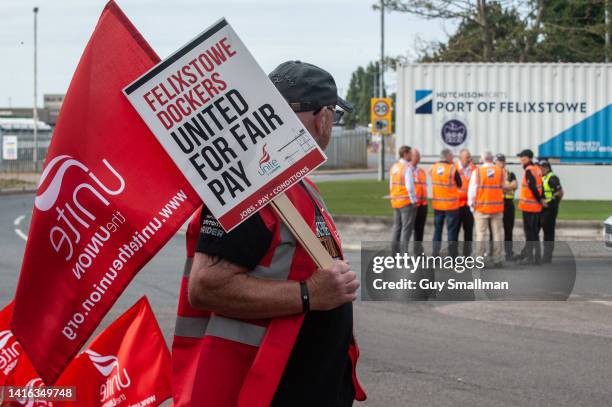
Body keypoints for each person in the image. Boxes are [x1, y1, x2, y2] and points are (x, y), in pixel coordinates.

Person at [178, 61, 366, 406]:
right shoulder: (249, 187)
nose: (331, 126)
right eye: (333, 117)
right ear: (323, 116)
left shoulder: (297, 184)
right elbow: (205, 287)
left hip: (307, 382)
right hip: (267, 387)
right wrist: (309, 294)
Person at [468, 151, 504, 266]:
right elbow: (502, 186)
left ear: (482, 159)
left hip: (481, 207)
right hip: (496, 208)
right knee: (497, 233)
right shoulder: (499, 171)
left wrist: (471, 204)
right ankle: (497, 258)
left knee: (481, 234)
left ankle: (479, 260)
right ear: (492, 159)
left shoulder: (477, 172)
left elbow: (472, 189)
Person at [430, 148, 462, 256]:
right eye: (451, 155)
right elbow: (460, 184)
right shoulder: (452, 169)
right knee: (451, 232)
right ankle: (452, 257)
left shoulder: (433, 168)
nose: (453, 157)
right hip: (451, 206)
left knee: (437, 231)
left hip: (438, 206)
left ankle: (435, 255)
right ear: (447, 156)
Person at [517, 149, 545, 264]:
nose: (521, 160)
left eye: (523, 158)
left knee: (529, 234)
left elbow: (533, 188)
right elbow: (540, 186)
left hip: (529, 207)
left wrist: (539, 200)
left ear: (529, 158)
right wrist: (541, 200)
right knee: (535, 233)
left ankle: (529, 258)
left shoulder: (529, 171)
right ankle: (537, 257)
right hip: (536, 207)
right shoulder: (537, 169)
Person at [389, 145, 417, 246]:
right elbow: (409, 187)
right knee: (406, 229)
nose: (411, 156)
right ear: (405, 154)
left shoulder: (394, 167)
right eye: (410, 153)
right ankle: (403, 254)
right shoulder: (406, 168)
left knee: (397, 227)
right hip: (405, 202)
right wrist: (413, 201)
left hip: (395, 201)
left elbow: (391, 185)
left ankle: (394, 253)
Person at [539, 160, 563, 263]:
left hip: (550, 209)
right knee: (544, 232)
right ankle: (544, 256)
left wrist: (554, 202)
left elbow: (560, 192)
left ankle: (547, 257)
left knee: (548, 233)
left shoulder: (552, 178)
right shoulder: (544, 177)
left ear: (546, 168)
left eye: (541, 168)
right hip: (543, 209)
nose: (539, 170)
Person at [495, 154, 518, 260]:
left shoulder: (510, 174)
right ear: (495, 162)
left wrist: (502, 187)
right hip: (497, 203)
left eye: (503, 161)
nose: (502, 163)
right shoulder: (493, 173)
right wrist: (507, 187)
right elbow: (495, 187)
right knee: (495, 230)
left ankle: (509, 253)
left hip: (508, 204)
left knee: (508, 229)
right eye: (499, 161)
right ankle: (495, 253)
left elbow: (515, 185)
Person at [457, 148, 476, 255]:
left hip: (469, 206)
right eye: (466, 157)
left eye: (469, 157)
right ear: (460, 158)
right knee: (455, 231)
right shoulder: (454, 168)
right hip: (457, 205)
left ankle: (467, 255)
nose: (469, 159)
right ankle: (453, 256)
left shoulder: (475, 169)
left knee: (468, 231)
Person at [412, 148, 428, 253]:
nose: (418, 158)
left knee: (420, 229)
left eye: (419, 156)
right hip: (412, 205)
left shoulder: (421, 171)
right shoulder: (407, 170)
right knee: (408, 230)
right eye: (416, 156)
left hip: (422, 204)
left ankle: (418, 251)